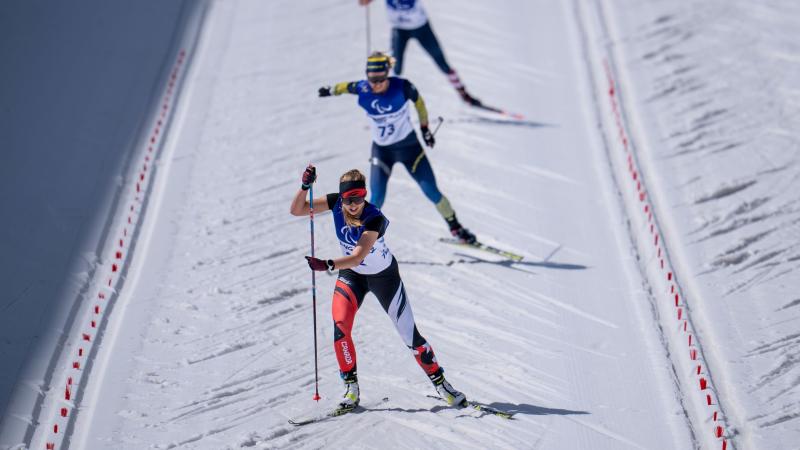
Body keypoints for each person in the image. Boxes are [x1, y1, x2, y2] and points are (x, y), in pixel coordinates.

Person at [289, 165, 467, 411]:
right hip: (352, 277)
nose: (353, 204)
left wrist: (327, 264)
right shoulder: (335, 203)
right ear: (342, 198)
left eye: (359, 198)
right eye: (348, 199)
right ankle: (351, 389)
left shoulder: (374, 217)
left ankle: (441, 384)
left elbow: (357, 256)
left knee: (410, 336)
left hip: (384, 278)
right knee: (340, 328)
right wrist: (304, 187)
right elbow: (297, 210)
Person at [318, 52, 476, 244]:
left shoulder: (402, 86)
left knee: (432, 191)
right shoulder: (363, 88)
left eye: (380, 80)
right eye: (372, 79)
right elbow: (345, 87)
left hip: (410, 149)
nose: (376, 84)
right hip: (382, 152)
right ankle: (361, 239)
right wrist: (330, 90)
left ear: (387, 74)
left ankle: (456, 228)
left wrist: (425, 128)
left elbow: (419, 103)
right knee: (376, 198)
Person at [358, 0, 481, 106]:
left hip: (421, 28)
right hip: (399, 30)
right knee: (396, 68)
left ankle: (464, 94)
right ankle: (387, 99)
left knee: (442, 63)